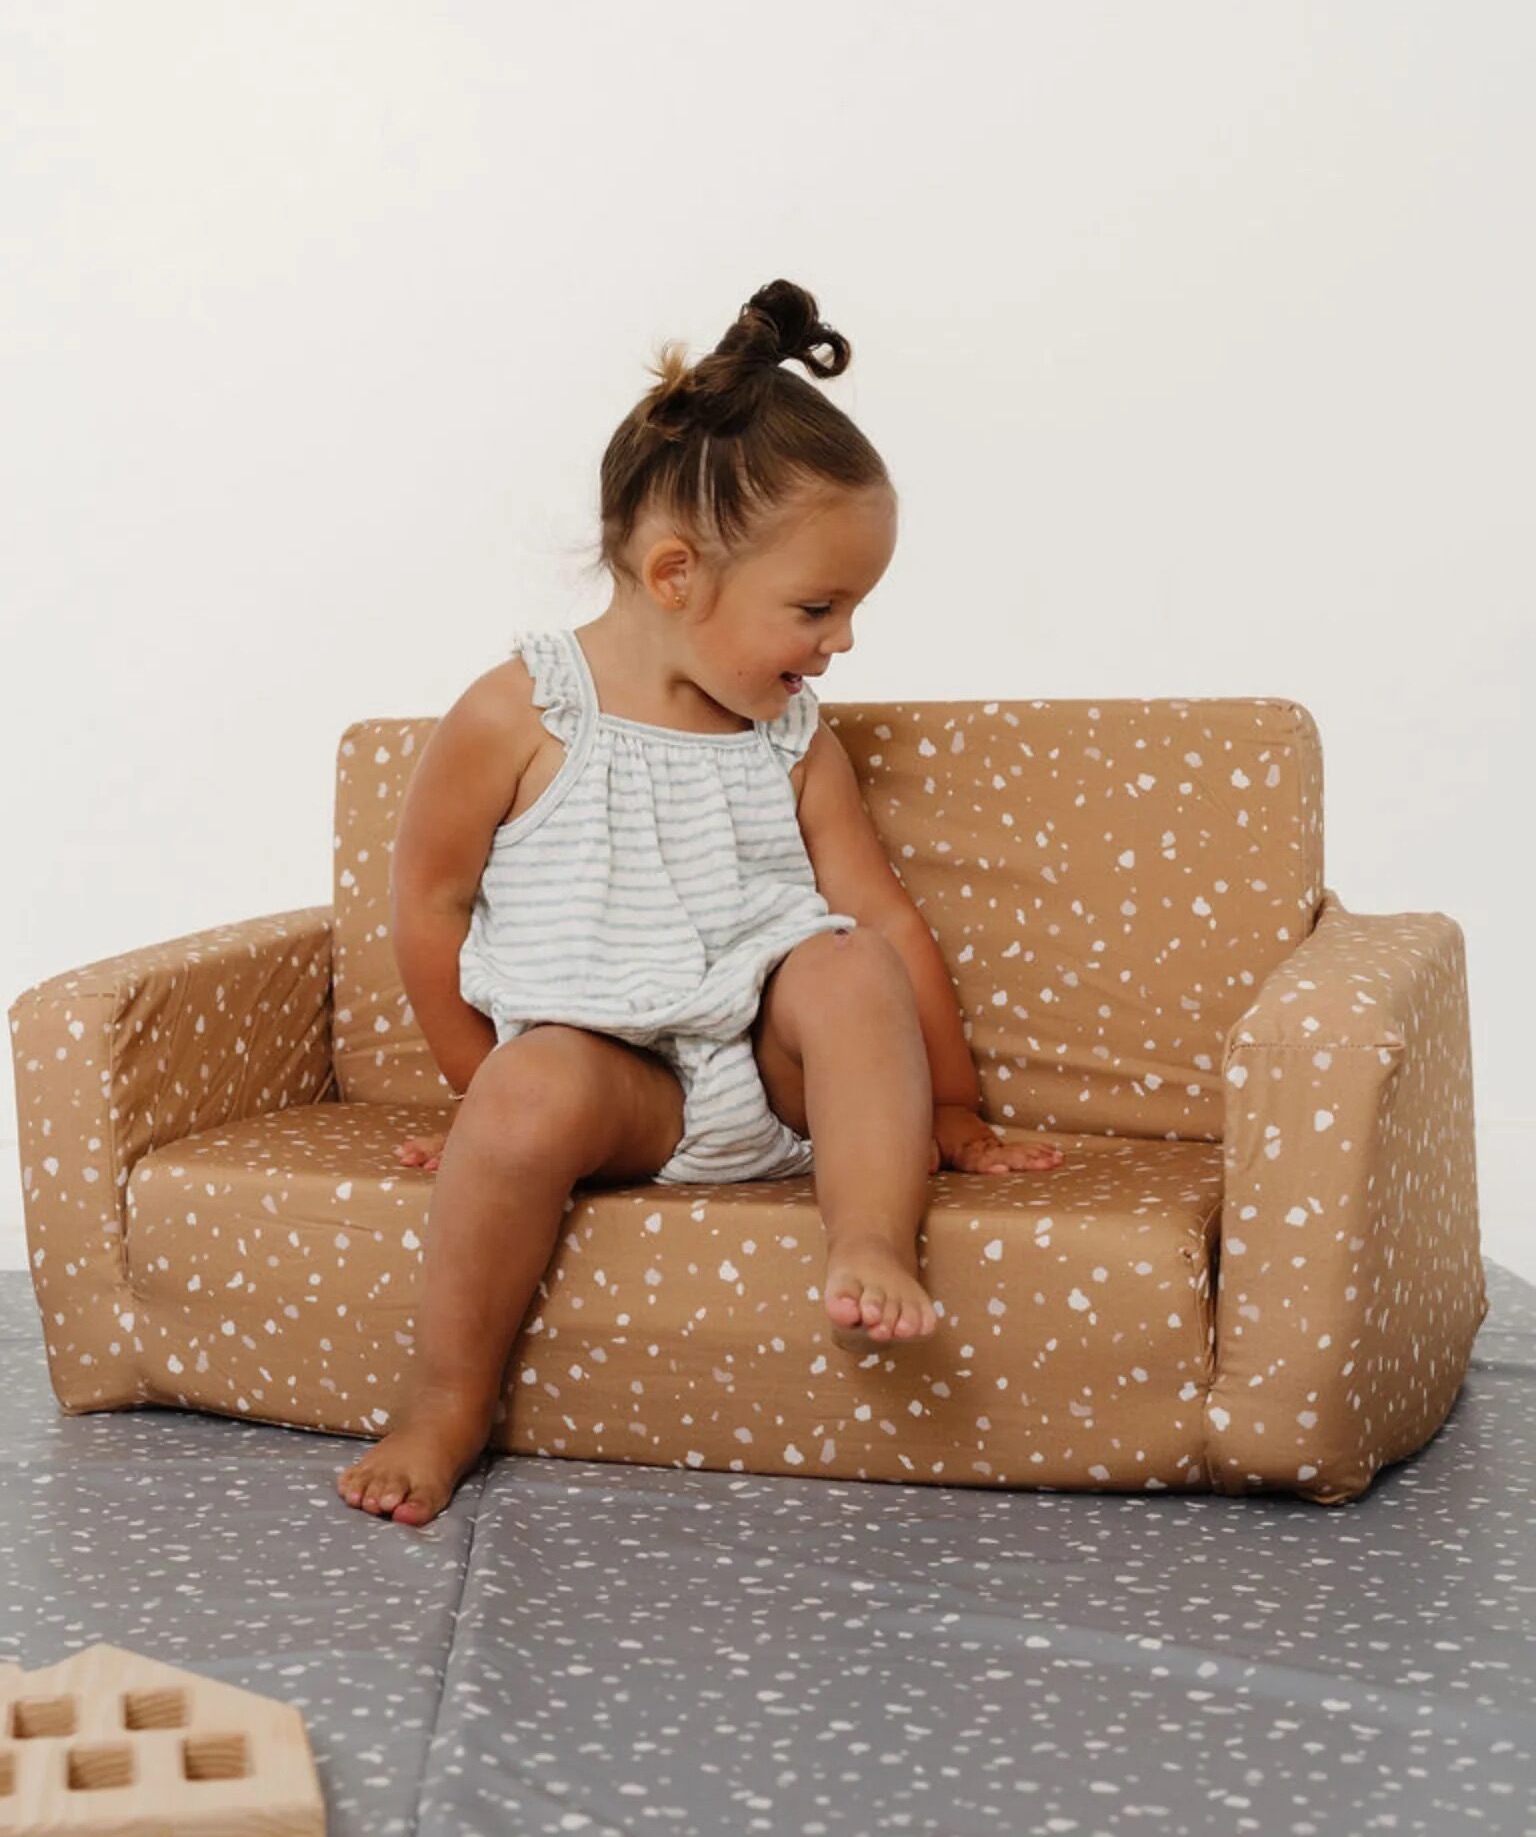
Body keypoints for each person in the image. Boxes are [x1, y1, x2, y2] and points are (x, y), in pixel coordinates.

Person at [337, 277, 1062, 1527]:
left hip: (781, 1089)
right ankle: (446, 1401)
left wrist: (949, 1103)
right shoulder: (521, 713)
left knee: (840, 965)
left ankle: (869, 1233)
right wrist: (479, 1094)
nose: (839, 643)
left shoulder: (789, 736)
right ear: (677, 572)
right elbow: (429, 902)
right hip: (625, 1094)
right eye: (818, 606)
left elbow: (881, 923)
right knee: (535, 1084)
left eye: (853, 610)